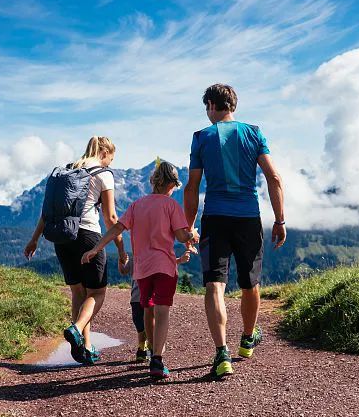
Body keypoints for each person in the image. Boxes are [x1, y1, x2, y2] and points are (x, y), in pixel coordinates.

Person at [183, 83, 285, 379]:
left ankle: (221, 352)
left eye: (206, 107)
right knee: (249, 282)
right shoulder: (254, 132)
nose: (207, 113)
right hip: (248, 217)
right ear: (233, 106)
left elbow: (192, 187)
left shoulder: (201, 138)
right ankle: (248, 338)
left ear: (213, 105)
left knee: (215, 284)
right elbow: (274, 178)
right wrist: (280, 220)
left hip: (215, 216)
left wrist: (189, 226)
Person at [82, 161, 199, 379]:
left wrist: (96, 248)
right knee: (162, 311)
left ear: (154, 181)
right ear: (172, 184)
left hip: (142, 268)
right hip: (164, 266)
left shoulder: (137, 205)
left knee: (148, 308)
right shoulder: (171, 206)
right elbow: (182, 236)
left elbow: (117, 227)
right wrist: (193, 234)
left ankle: (152, 351)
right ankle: (157, 359)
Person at [24, 136, 127, 364]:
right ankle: (77, 329)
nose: (110, 163)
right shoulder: (103, 174)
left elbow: (47, 212)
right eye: (111, 158)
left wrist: (34, 240)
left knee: (78, 293)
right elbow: (110, 217)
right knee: (97, 293)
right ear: (105, 152)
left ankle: (86, 349)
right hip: (88, 235)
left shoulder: (68, 171)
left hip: (62, 237)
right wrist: (120, 247)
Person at [119, 249, 192, 363]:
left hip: (140, 297)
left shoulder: (141, 254)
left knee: (143, 323)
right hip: (142, 297)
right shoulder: (140, 255)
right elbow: (124, 270)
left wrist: (179, 260)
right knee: (143, 324)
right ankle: (149, 349)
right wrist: (122, 260)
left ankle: (144, 349)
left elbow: (124, 270)